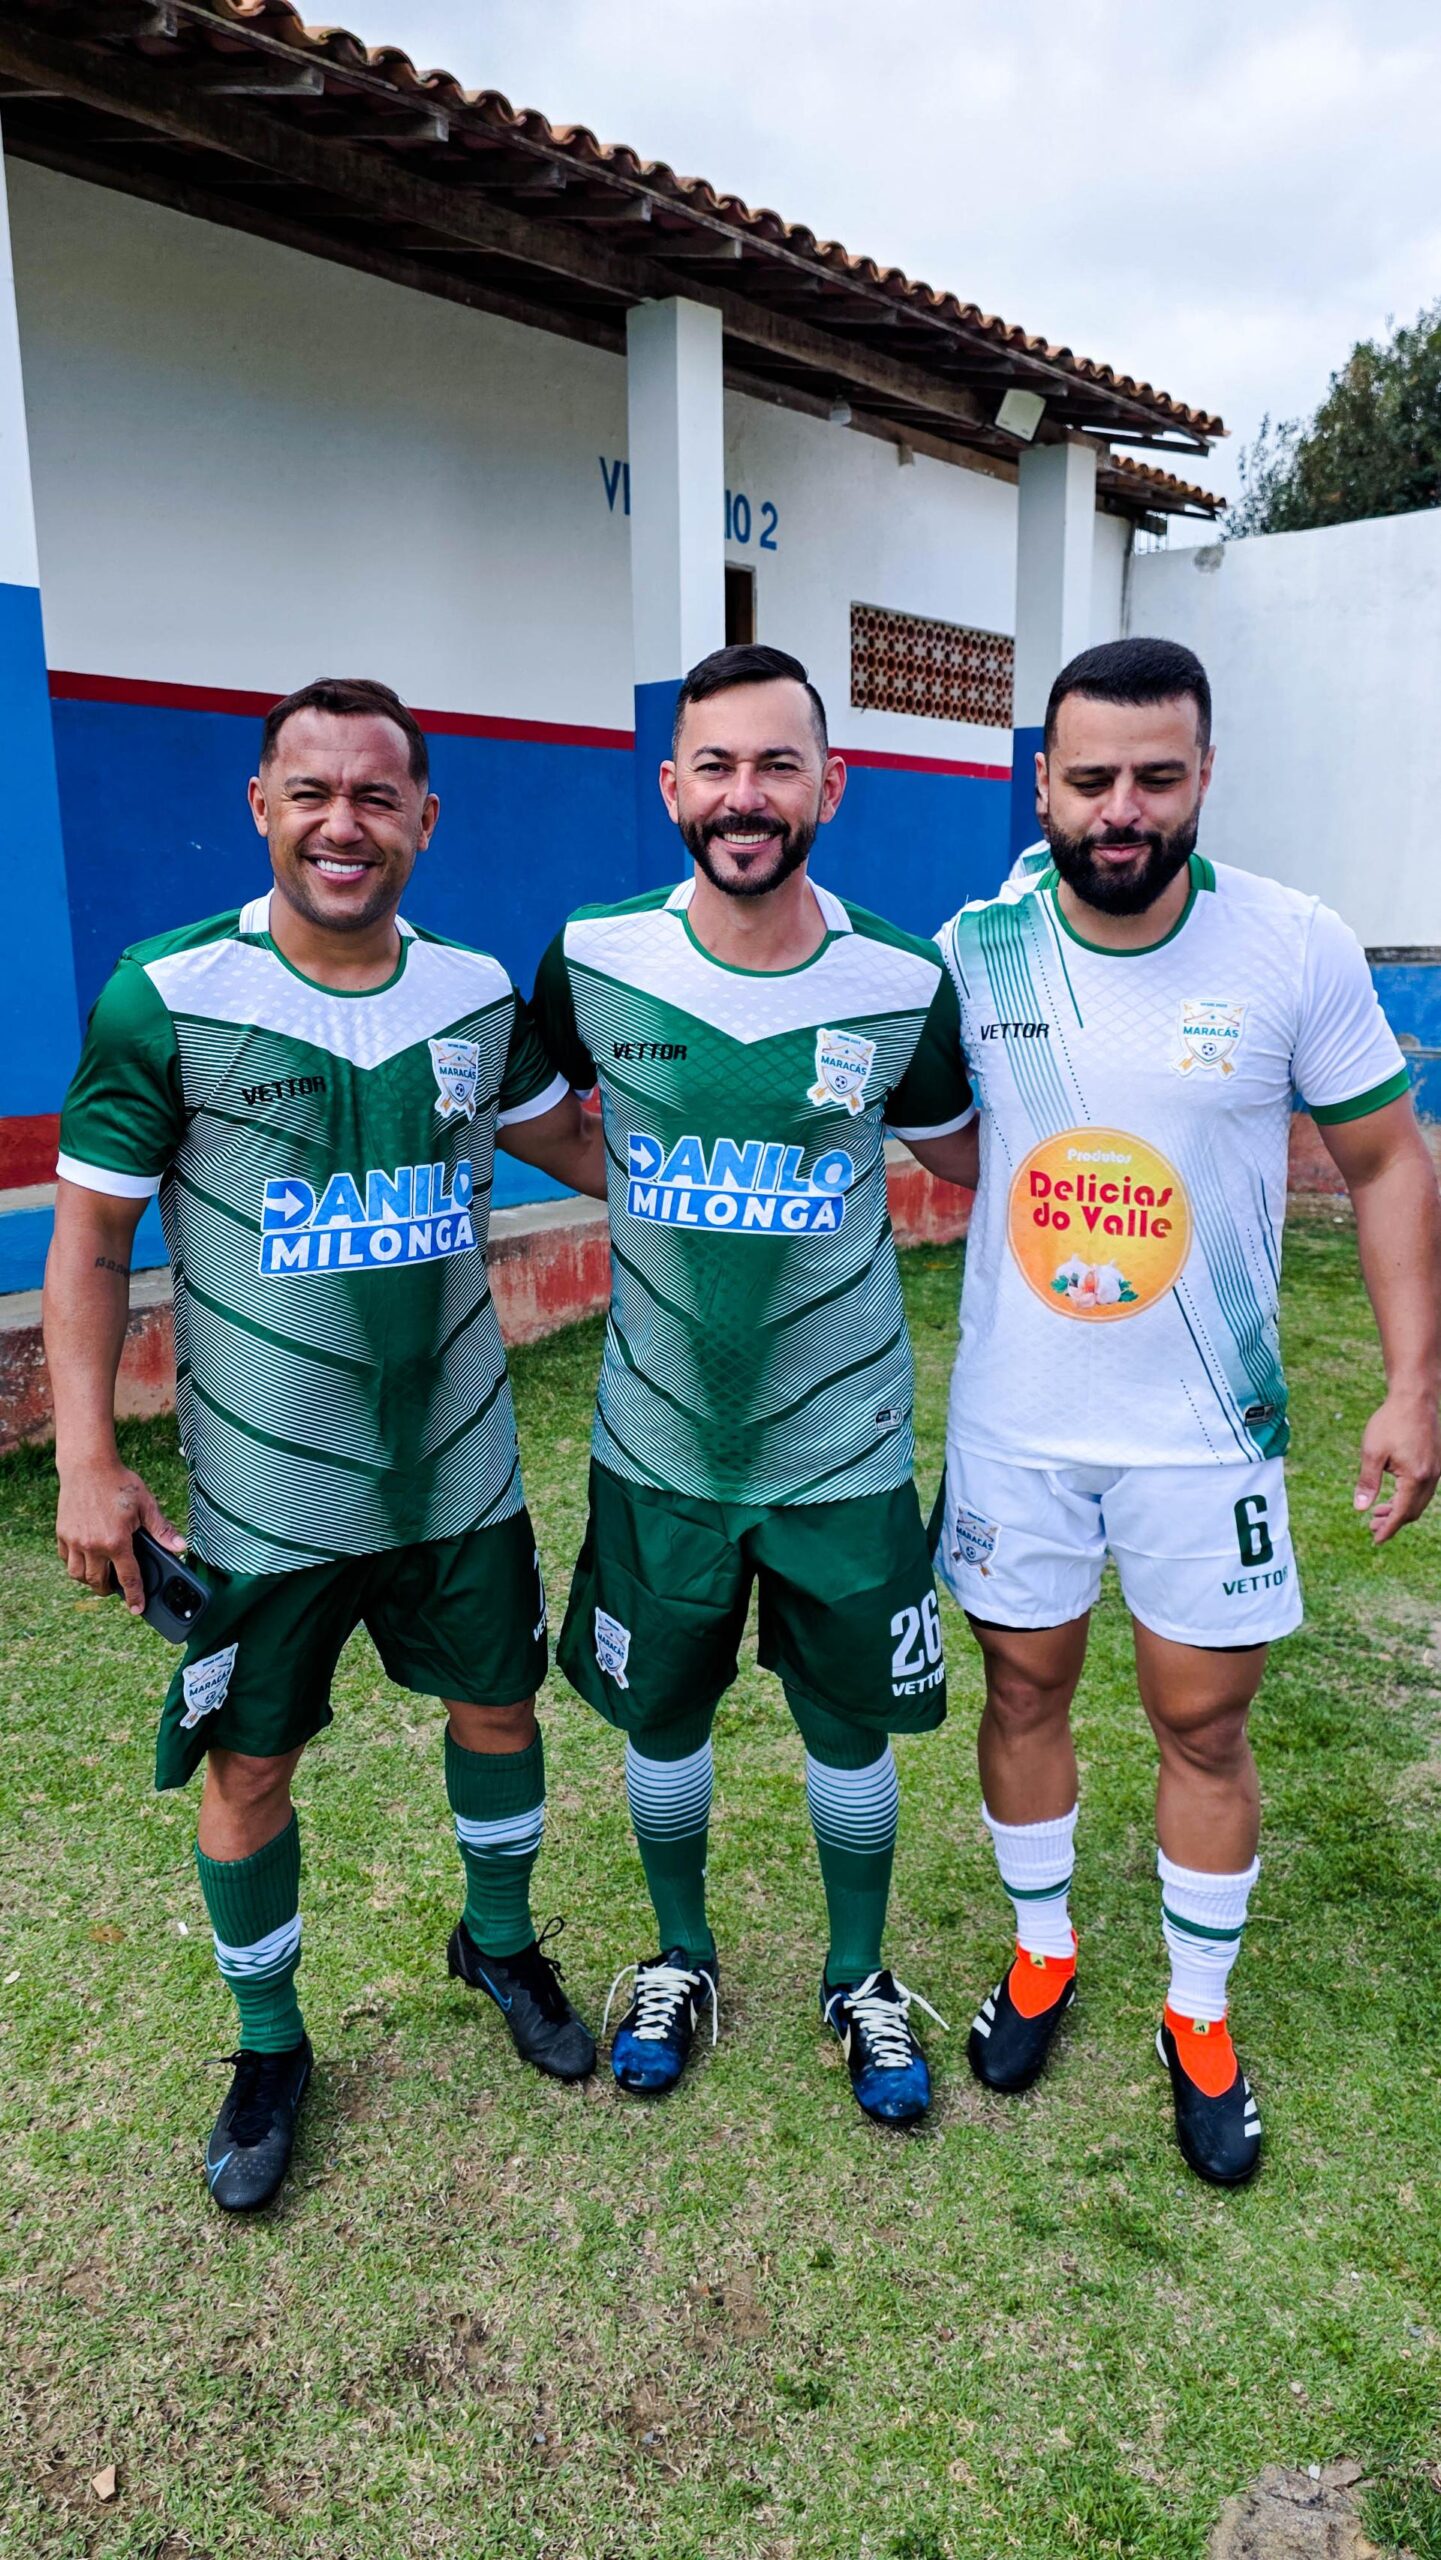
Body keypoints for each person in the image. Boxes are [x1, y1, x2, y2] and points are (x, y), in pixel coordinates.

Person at [45, 677, 608, 2212]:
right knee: (250, 1764)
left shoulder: (473, 993)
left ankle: (499, 1945)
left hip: (458, 1470)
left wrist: (754, 1141)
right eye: (311, 793)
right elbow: (89, 1238)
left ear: (425, 817)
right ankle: (269, 2046)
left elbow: (575, 1141)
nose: (342, 825)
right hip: (264, 1496)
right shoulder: (166, 993)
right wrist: (86, 1458)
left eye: (374, 796)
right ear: (261, 808)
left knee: (499, 1709)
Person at [933, 635, 1441, 2184]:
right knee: (1018, 1693)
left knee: (1203, 1725)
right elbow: (945, 1147)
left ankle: (1196, 2016)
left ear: (1203, 774)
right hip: (1018, 1423)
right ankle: (1040, 1954)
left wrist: (1412, 1385)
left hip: (1206, 1431)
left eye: (1156, 777)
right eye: (1090, 779)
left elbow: (1385, 1163)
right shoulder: (972, 951)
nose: (1122, 810)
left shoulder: (1291, 944)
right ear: (1042, 785)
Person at [531, 642, 977, 2127]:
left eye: (778, 764)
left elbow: (967, 1157)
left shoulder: (900, 979)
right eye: (715, 765)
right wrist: (642, 1185)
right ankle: (680, 1957)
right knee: (664, 1715)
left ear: (831, 786)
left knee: (847, 1725)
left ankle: (859, 1978)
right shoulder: (593, 955)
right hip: (658, 1438)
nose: (745, 795)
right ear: (671, 787)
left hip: (842, 1442)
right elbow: (532, 1108)